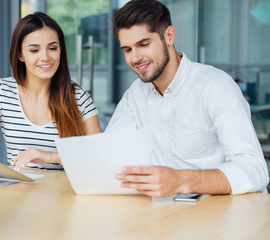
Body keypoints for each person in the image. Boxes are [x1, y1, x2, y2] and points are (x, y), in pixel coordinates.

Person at [108, 0, 269, 197]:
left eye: (144, 44)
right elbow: (109, 153)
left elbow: (254, 170)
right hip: (165, 216)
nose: (135, 58)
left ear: (169, 36)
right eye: (127, 49)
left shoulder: (215, 86)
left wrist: (181, 181)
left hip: (221, 214)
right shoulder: (135, 95)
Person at [0, 12, 101, 185]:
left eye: (52, 48)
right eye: (34, 50)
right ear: (20, 54)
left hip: (64, 196)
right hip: (17, 195)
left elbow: (100, 157)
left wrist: (51, 156)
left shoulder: (78, 97)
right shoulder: (0, 91)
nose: (45, 57)